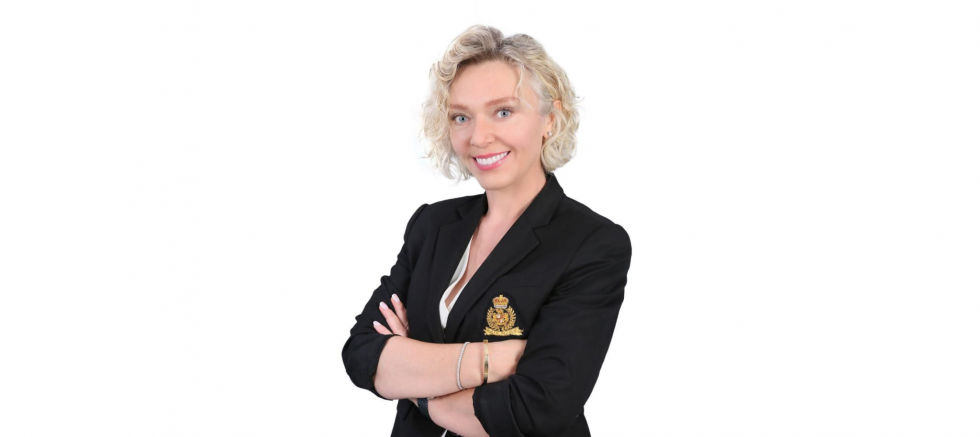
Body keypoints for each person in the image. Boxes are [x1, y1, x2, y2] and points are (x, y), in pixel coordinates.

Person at [341, 24, 632, 437]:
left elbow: (536, 408)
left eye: (503, 111)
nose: (478, 137)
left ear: (551, 119)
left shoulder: (592, 244)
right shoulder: (432, 225)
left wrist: (414, 383)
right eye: (461, 117)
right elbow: (361, 354)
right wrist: (490, 361)